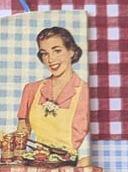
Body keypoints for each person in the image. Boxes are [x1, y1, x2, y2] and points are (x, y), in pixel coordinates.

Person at [16, 26, 89, 160]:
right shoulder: (31, 90)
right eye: (45, 53)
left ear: (71, 51)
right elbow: (22, 134)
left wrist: (85, 161)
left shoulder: (86, 92)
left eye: (57, 51)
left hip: (73, 166)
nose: (50, 59)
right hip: (39, 161)